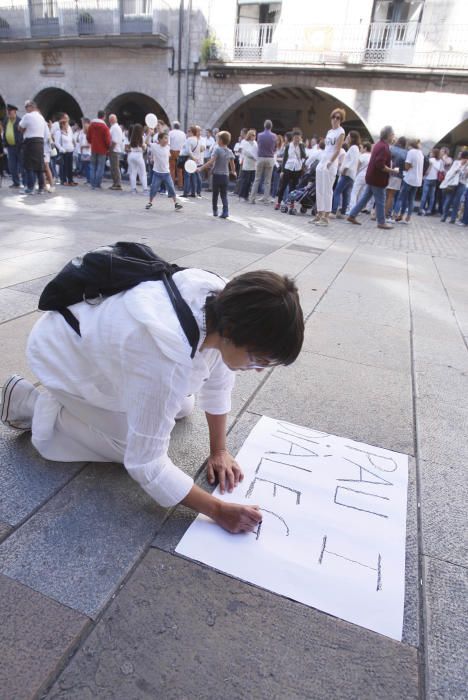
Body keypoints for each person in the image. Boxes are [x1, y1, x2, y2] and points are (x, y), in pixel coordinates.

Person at [1, 269, 304, 535]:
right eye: (260, 359)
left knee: (181, 406)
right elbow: (145, 463)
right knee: (126, 444)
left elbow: (220, 376)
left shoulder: (226, 302)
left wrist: (219, 450)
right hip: (64, 358)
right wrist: (218, 510)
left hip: (98, 342)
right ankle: (30, 404)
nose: (260, 369)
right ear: (233, 333)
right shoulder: (164, 357)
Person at [347, 125, 398, 230]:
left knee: (365, 197)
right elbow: (380, 165)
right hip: (377, 179)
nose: (393, 137)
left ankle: (352, 215)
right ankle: (381, 222)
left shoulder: (379, 145)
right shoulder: (383, 147)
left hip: (372, 177)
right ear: (388, 135)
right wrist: (392, 171)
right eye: (392, 134)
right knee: (380, 200)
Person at [314, 108, 346, 226]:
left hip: (331, 163)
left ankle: (326, 217)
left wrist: (330, 162)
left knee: (327, 190)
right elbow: (327, 149)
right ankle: (319, 213)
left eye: (338, 118)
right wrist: (322, 162)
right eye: (334, 117)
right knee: (320, 189)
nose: (335, 120)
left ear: (341, 120)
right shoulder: (329, 132)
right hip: (323, 161)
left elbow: (337, 150)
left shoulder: (341, 132)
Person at [198, 130, 236, 218]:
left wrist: (201, 168)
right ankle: (225, 211)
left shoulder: (217, 149)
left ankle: (215, 211)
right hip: (225, 176)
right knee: (224, 195)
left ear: (221, 141)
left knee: (215, 195)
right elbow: (232, 164)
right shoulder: (230, 151)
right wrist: (233, 172)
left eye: (217, 139)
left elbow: (211, 162)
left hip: (217, 176)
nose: (216, 141)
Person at [145, 132, 183, 212]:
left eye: (167, 138)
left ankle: (176, 203)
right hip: (157, 173)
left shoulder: (168, 147)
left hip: (166, 173)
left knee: (171, 188)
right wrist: (149, 133)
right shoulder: (155, 146)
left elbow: (168, 154)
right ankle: (150, 202)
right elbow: (146, 142)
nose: (167, 140)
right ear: (159, 139)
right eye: (165, 138)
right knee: (153, 188)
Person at [331, 130, 361, 217]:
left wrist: (345, 169)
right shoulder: (355, 148)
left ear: (352, 138)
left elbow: (352, 161)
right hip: (350, 175)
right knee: (345, 193)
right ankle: (343, 212)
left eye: (348, 136)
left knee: (337, 191)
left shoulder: (353, 148)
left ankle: (333, 211)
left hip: (347, 173)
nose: (347, 138)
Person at [19, 100, 47, 195]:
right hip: (40, 142)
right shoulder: (41, 117)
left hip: (30, 142)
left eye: (26, 107)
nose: (26, 109)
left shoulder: (27, 116)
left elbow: (20, 128)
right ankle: (41, 188)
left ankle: (30, 188)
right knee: (39, 166)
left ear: (30, 106)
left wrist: (25, 129)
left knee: (29, 166)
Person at [274, 130, 306, 210]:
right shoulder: (288, 146)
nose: (297, 140)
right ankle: (278, 202)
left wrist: (301, 146)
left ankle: (291, 203)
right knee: (283, 186)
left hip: (297, 169)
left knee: (293, 188)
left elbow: (304, 156)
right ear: (293, 138)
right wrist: (282, 171)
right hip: (288, 168)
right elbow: (285, 158)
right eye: (295, 138)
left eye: (298, 138)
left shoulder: (301, 146)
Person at [394, 139, 424, 224]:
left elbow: (406, 166)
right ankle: (407, 218)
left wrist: (409, 166)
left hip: (409, 178)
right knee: (411, 199)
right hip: (417, 180)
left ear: (410, 145)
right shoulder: (420, 153)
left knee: (400, 198)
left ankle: (394, 215)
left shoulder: (411, 152)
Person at [249, 119, 276, 204]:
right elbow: (274, 147)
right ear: (271, 126)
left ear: (264, 126)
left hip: (260, 158)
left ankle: (252, 198)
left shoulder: (259, 135)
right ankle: (266, 199)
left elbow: (259, 145)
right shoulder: (274, 136)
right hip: (270, 158)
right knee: (268, 180)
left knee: (257, 179)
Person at [440, 150, 468, 223]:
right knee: (448, 200)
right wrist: (460, 166)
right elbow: (451, 172)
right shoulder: (456, 163)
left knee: (456, 202)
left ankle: (453, 219)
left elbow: (466, 177)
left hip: (462, 184)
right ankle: (444, 216)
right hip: (452, 184)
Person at [87, 110, 111, 190]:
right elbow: (107, 140)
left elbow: (88, 136)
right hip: (102, 149)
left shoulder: (91, 125)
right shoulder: (105, 127)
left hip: (93, 148)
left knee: (93, 166)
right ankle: (97, 184)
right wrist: (108, 147)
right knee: (100, 167)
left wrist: (92, 142)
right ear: (104, 117)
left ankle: (92, 184)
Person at [385, 136, 407, 221]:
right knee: (391, 196)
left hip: (387, 172)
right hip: (398, 175)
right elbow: (406, 167)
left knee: (385, 194)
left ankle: (382, 213)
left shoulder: (391, 148)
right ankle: (386, 214)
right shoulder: (406, 152)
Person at [2, 104, 23, 188]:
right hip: (10, 147)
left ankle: (25, 183)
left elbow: (22, 133)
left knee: (22, 166)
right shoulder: (6, 120)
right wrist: (4, 143)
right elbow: (4, 132)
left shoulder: (20, 121)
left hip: (19, 147)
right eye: (8, 112)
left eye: (10, 112)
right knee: (12, 166)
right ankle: (16, 182)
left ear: (15, 112)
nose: (8, 113)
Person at [418, 147, 443, 216]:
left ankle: (421, 210)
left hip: (428, 178)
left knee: (424, 195)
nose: (431, 153)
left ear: (434, 153)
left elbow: (426, 171)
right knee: (432, 196)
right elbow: (441, 170)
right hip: (435, 180)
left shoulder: (430, 160)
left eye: (432, 152)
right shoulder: (440, 161)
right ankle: (429, 210)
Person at [56, 114, 77, 186]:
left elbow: (72, 138)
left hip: (70, 151)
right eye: (66, 124)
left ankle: (70, 180)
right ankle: (63, 180)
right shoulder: (58, 132)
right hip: (64, 152)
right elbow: (57, 143)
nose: (67, 125)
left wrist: (73, 146)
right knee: (64, 167)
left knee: (70, 166)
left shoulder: (69, 130)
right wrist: (62, 149)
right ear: (62, 125)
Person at [127, 123, 148, 194]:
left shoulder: (131, 138)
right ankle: (145, 189)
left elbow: (129, 147)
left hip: (131, 155)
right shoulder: (142, 137)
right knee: (143, 173)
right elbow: (144, 148)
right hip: (139, 155)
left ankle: (133, 189)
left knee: (133, 173)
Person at [182, 125, 203, 198]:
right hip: (195, 161)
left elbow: (188, 152)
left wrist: (193, 158)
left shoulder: (189, 139)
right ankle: (193, 193)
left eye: (189, 131)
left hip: (189, 160)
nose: (187, 132)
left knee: (187, 177)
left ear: (192, 132)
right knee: (193, 177)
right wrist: (196, 159)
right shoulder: (197, 140)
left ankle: (185, 193)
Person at [238, 129, 257, 202]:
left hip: (253, 165)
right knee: (245, 181)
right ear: (249, 135)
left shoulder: (255, 143)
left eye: (255, 135)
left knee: (250, 182)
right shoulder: (245, 143)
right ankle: (241, 195)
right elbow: (246, 152)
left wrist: (256, 157)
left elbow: (257, 151)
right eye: (252, 135)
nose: (254, 137)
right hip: (247, 164)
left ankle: (246, 195)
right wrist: (254, 156)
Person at [168, 120, 186, 189]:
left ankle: (171, 184)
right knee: (179, 169)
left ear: (173, 126)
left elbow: (169, 143)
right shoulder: (183, 133)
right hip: (180, 152)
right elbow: (184, 144)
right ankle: (180, 185)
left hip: (172, 151)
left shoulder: (170, 133)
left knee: (172, 169)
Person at [108, 114, 123, 191]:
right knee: (113, 167)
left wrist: (110, 150)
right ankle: (115, 183)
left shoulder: (115, 128)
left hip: (114, 150)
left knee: (115, 167)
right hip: (114, 150)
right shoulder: (114, 127)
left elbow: (114, 141)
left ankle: (117, 184)